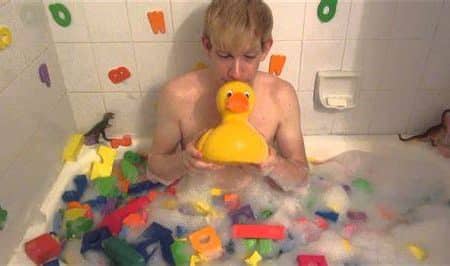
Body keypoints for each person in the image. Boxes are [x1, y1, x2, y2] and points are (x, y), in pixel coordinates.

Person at [147, 0, 308, 191]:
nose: (236, 73)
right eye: (225, 56)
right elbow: (155, 167)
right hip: (197, 205)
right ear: (207, 46)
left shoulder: (281, 96)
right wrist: (184, 162)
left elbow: (302, 177)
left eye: (249, 57)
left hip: (260, 205)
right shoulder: (178, 95)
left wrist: (274, 166)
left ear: (265, 48)